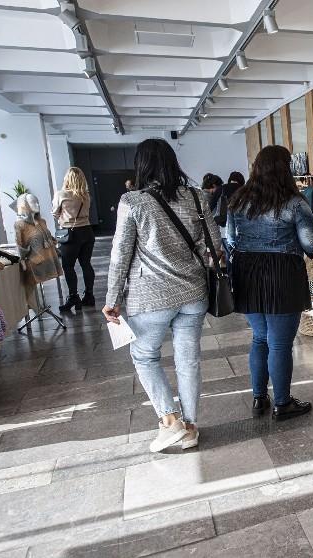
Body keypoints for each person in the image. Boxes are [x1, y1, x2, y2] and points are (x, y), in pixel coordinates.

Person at [104, 138, 223, 453]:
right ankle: (191, 427)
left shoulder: (133, 201)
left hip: (150, 298)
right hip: (194, 293)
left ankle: (171, 424)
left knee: (145, 355)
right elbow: (213, 253)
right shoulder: (198, 198)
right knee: (188, 360)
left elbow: (120, 255)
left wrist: (112, 298)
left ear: (142, 165)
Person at [227, 146, 313, 420]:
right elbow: (311, 243)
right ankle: (282, 403)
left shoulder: (238, 200)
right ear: (284, 168)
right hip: (282, 274)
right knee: (280, 344)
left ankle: (259, 399)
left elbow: (231, 241)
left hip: (248, 274)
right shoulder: (294, 202)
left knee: (259, 337)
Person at [52, 167, 96, 311]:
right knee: (86, 264)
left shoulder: (61, 194)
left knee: (68, 266)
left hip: (70, 234)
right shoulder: (85, 195)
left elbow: (54, 213)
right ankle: (89, 295)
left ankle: (73, 297)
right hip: (87, 231)